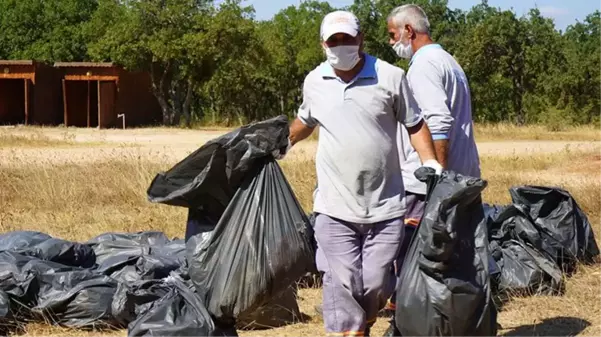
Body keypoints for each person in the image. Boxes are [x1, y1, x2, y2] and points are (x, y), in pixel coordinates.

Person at [273, 10, 442, 337]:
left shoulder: (390, 77)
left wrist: (430, 163)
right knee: (341, 280)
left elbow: (415, 123)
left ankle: (362, 322)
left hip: (386, 204)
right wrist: (279, 145)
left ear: (360, 39)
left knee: (377, 281)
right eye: (333, 40)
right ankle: (349, 330)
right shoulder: (314, 81)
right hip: (333, 207)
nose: (340, 45)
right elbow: (305, 122)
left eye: (347, 39)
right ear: (323, 44)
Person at [383, 4, 482, 337]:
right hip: (463, 177)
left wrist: (435, 176)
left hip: (433, 183)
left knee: (418, 257)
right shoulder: (447, 60)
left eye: (393, 34)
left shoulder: (423, 66)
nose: (392, 42)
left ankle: (414, 324)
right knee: (453, 261)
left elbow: (437, 121)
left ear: (409, 31)